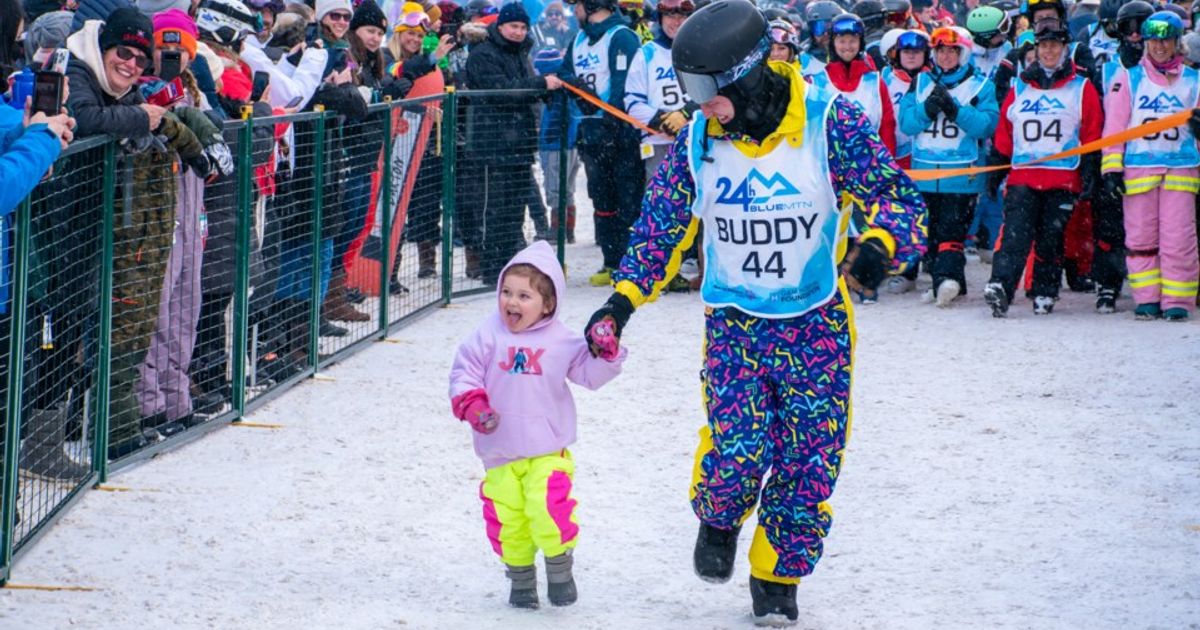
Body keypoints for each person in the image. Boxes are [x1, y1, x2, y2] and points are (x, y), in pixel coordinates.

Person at [583, 0, 925, 623]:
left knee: (807, 460)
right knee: (737, 449)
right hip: (736, 326)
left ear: (745, 74)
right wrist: (621, 301)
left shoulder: (831, 123)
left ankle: (777, 579)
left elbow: (896, 198)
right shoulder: (698, 141)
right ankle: (718, 518)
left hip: (816, 324)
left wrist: (881, 246)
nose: (696, 105)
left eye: (706, 91)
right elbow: (661, 232)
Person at [448, 240, 625, 610]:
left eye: (524, 296)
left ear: (548, 304)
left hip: (548, 447)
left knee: (549, 507)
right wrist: (473, 404)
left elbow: (588, 375)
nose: (511, 302)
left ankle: (560, 569)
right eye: (506, 292)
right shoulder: (487, 335)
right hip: (499, 450)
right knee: (507, 518)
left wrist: (606, 354)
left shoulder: (562, 340)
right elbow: (464, 372)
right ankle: (521, 579)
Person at [68, 6, 210, 457]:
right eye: (123, 52)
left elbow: (143, 114)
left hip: (102, 223)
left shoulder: (121, 86)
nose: (130, 64)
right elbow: (86, 119)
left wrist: (189, 128)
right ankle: (55, 437)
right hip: (67, 224)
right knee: (64, 338)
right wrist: (148, 118)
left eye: (139, 59)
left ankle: (109, 429)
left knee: (115, 328)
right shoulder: (77, 70)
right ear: (105, 46)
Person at [982, 17, 1103, 316]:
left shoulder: (1082, 87)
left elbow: (1091, 132)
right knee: (1015, 236)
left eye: (1055, 46)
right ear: (1036, 50)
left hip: (1062, 179)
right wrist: (996, 167)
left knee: (1051, 239)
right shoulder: (1021, 88)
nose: (1049, 52)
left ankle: (1045, 291)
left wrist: (1090, 170)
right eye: (1044, 46)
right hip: (1024, 178)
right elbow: (1005, 132)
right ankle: (1000, 286)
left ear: (1065, 49)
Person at [1102, 10, 1200, 321]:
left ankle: (1178, 302)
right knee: (1141, 239)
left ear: (1176, 43)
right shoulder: (1128, 79)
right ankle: (1146, 298)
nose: (1159, 46)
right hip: (1139, 172)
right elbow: (1114, 129)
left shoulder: (1194, 81)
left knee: (1179, 240)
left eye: (1165, 40)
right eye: (1153, 41)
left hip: (1180, 171)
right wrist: (1111, 169)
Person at [898, 25, 997, 306]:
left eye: (952, 51)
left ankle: (947, 280)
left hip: (961, 175)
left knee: (952, 231)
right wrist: (927, 109)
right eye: (940, 51)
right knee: (930, 232)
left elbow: (985, 126)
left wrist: (956, 111)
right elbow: (906, 123)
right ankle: (948, 281)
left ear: (962, 53)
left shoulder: (980, 85)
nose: (945, 57)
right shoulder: (920, 84)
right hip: (925, 173)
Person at [465, 1, 563, 282]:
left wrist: (542, 90)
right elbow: (500, 91)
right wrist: (539, 85)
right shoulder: (483, 54)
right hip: (492, 144)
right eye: (513, 26)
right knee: (495, 209)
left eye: (522, 27)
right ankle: (492, 267)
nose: (519, 32)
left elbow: (522, 91)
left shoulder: (521, 53)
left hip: (519, 143)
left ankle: (508, 263)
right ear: (500, 26)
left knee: (514, 209)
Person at [557, 0, 643, 286]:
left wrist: (609, 117)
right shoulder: (580, 38)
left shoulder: (621, 36)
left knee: (627, 199)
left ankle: (632, 263)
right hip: (590, 132)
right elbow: (566, 70)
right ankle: (610, 260)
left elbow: (625, 82)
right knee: (601, 199)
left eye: (577, 5)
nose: (575, 12)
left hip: (620, 133)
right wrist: (579, 90)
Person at [624, 0, 695, 178]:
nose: (676, 22)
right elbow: (632, 101)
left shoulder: (702, 49)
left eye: (682, 16)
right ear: (660, 18)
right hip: (658, 142)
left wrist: (687, 114)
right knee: (660, 200)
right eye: (670, 16)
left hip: (697, 139)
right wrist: (661, 120)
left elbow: (716, 93)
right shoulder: (646, 54)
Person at [811, 14, 898, 156]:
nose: (847, 46)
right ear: (833, 43)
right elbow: (812, 131)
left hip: (868, 166)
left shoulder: (874, 82)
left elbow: (886, 127)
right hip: (831, 168)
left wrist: (888, 165)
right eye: (842, 41)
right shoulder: (818, 83)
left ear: (860, 43)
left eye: (853, 41)